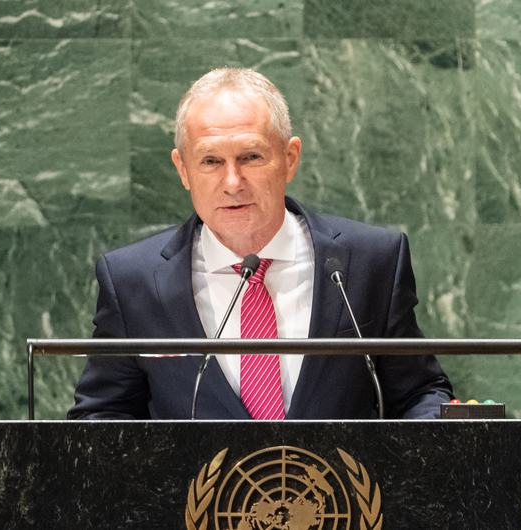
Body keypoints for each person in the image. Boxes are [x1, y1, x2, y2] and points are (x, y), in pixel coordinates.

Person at [68, 68, 452, 420]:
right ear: (183, 169)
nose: (233, 182)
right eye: (211, 161)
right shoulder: (132, 280)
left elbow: (419, 393)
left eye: (251, 157)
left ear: (289, 158)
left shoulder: (369, 262)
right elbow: (103, 416)